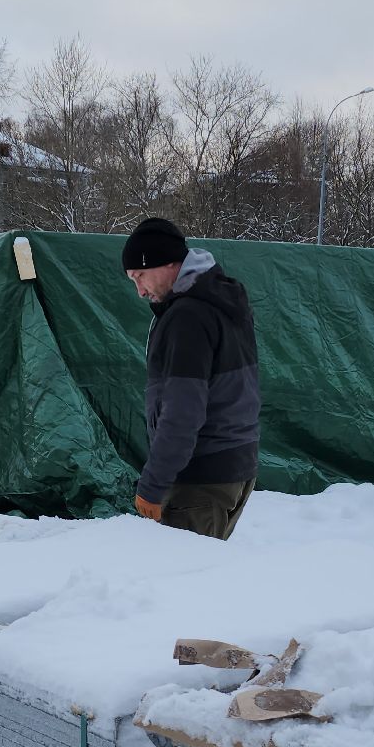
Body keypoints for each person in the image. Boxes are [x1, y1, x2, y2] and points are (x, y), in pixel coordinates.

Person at [122, 217, 260, 540]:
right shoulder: (221, 300)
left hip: (200, 478)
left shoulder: (188, 316)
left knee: (183, 572)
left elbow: (183, 413)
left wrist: (152, 485)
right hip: (234, 468)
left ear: (167, 262)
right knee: (205, 567)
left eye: (140, 275)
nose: (139, 291)